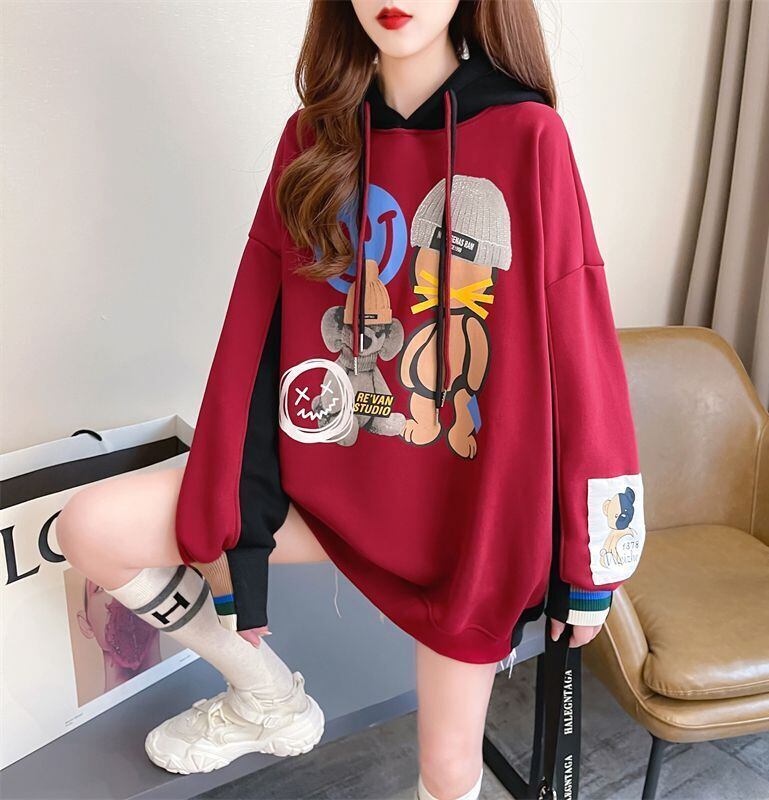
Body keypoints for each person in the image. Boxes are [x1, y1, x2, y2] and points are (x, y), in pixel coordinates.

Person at [55, 2, 648, 798]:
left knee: (447, 773)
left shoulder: (528, 137)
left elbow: (581, 351)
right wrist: (241, 535)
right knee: (90, 528)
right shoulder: (310, 140)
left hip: (460, 531)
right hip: (325, 495)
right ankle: (265, 697)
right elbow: (257, 339)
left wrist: (592, 563)